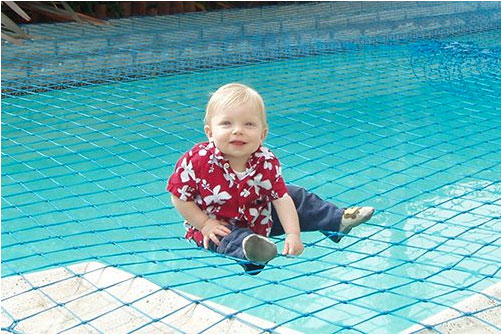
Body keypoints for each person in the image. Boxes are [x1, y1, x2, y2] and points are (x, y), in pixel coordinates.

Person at [167, 83, 374, 274]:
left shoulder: (266, 161)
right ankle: (254, 253)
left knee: (295, 195)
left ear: (262, 134)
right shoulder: (198, 160)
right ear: (210, 133)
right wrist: (204, 223)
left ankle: (336, 220)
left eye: (249, 124)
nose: (238, 130)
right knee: (225, 239)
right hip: (217, 224)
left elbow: (281, 199)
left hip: (259, 217)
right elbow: (179, 196)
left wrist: (293, 235)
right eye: (226, 124)